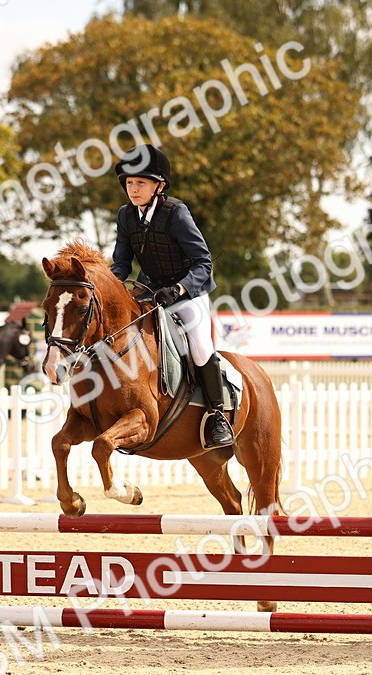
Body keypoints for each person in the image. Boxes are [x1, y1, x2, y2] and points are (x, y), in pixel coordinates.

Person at [109, 145, 234, 449]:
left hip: (188, 294)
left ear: (159, 186)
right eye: (129, 183)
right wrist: (107, 284)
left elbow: (203, 262)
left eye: (140, 183)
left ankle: (217, 415)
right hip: (150, 293)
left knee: (201, 347)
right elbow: (122, 263)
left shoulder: (176, 213)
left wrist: (179, 288)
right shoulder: (126, 216)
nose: (133, 189)